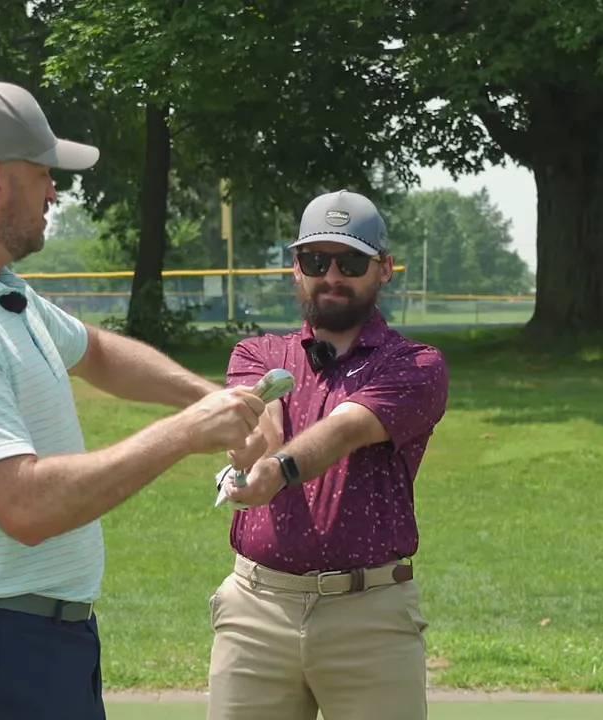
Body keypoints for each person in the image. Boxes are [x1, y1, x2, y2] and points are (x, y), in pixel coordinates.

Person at [0, 78, 266, 720]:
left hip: (37, 640)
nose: (55, 192)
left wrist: (211, 398)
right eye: (44, 174)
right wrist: (188, 432)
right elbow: (24, 505)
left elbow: (97, 352)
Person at [205, 189, 450, 720]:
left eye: (351, 261)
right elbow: (258, 435)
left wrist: (277, 470)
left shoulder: (415, 364)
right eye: (316, 260)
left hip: (370, 616)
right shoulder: (258, 353)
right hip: (256, 608)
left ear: (384, 269)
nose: (331, 275)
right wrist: (245, 451)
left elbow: (346, 430)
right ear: (296, 267)